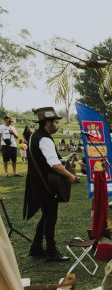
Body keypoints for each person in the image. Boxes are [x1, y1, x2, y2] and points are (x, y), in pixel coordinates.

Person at [23, 107, 79, 262]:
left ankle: (35, 247)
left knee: (46, 216)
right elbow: (54, 165)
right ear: (47, 122)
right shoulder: (45, 139)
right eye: (55, 122)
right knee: (51, 217)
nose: (57, 125)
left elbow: (47, 159)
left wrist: (65, 158)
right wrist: (70, 176)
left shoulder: (35, 135)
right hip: (46, 186)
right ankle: (51, 252)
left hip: (37, 183)